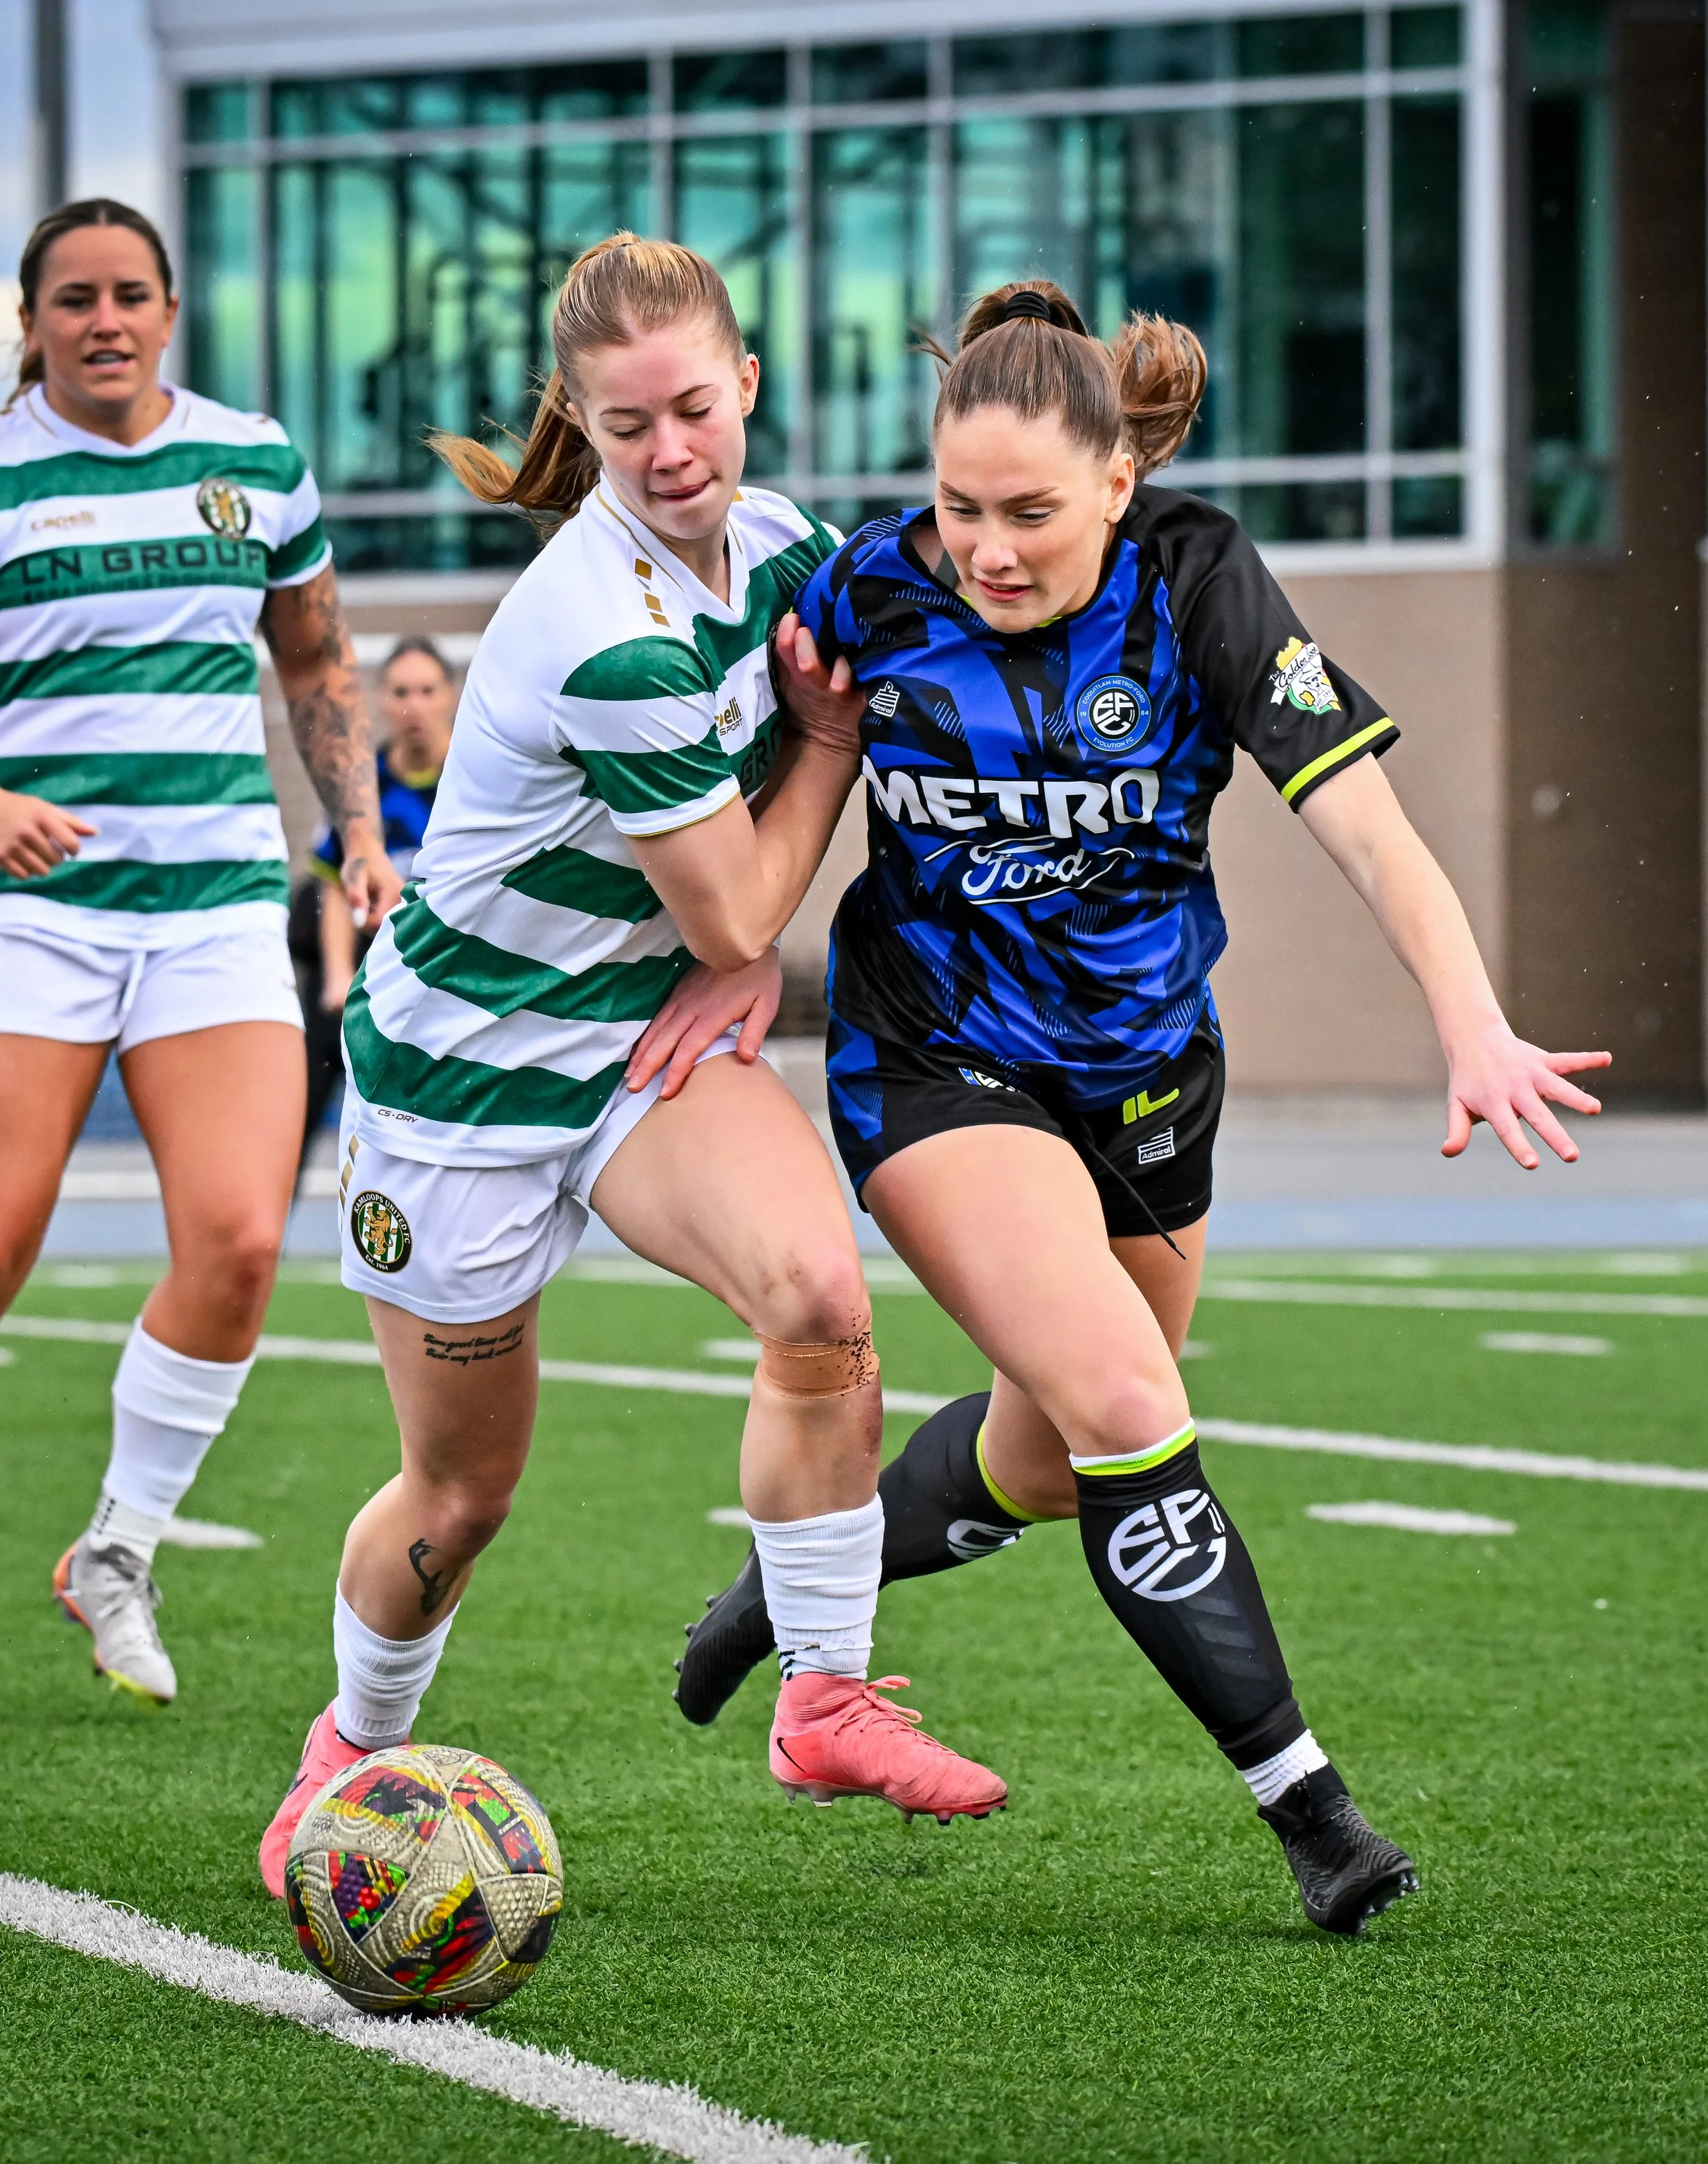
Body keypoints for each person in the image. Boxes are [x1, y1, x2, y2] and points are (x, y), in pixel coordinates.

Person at [651, 279, 1611, 1935]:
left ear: (1117, 483)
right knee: (1119, 1395)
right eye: (961, 507)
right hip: (939, 1062)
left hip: (1154, 1080)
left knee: (1044, 1455)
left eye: (1030, 511)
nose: (989, 548)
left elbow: (1371, 833)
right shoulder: (871, 586)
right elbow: (751, 789)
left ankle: (803, 1574)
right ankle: (1311, 1811)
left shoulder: (1200, 579)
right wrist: (742, 943)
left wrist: (1474, 1025)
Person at [258, 234, 1005, 1897]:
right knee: (464, 1488)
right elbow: (743, 900)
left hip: (627, 1052)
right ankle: (346, 1763)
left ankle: (821, 1693)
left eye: (693, 408)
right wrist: (821, 746)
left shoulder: (793, 545)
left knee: (820, 1292)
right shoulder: (606, 629)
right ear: (578, 429)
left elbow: (934, 651)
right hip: (456, 1091)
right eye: (624, 427)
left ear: (746, 384)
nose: (671, 453)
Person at [0, 198, 397, 1707]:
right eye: (73, 298)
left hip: (218, 903)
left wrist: (356, 832)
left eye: (131, 295)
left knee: (236, 1242)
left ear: (171, 310)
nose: (104, 320)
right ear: (32, 320)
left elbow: (314, 656)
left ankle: (116, 1546)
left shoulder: (256, 461)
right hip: (32, 915)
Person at [292, 635, 455, 1167]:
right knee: (299, 1098)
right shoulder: (364, 788)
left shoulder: (477, 778)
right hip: (367, 964)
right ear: (382, 700)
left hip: (449, 974)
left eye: (427, 690)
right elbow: (335, 887)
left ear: (450, 696)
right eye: (402, 691)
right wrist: (339, 977)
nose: (415, 706)